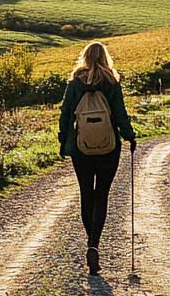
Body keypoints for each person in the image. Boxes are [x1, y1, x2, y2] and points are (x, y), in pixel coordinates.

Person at [58, 40, 136, 274]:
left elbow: (65, 114)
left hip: (80, 148)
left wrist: (64, 142)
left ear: (85, 57)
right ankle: (94, 244)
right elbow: (120, 113)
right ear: (105, 57)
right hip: (108, 147)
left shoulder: (75, 83)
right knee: (101, 195)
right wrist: (130, 136)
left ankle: (90, 242)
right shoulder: (112, 82)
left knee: (86, 193)